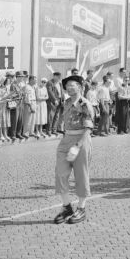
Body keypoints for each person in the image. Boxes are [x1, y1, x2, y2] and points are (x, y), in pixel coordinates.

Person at [53, 75, 95, 225]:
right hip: (66, 140)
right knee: (60, 174)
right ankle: (66, 207)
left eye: (73, 85)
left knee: (81, 175)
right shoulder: (66, 102)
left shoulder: (85, 104)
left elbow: (88, 128)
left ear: (80, 87)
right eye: (68, 85)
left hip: (81, 140)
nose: (70, 88)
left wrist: (77, 146)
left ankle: (81, 208)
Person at [46, 72, 63, 137]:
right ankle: (49, 130)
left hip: (59, 101)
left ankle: (54, 130)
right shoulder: (50, 83)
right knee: (51, 116)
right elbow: (50, 92)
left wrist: (63, 100)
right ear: (54, 76)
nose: (59, 78)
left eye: (60, 77)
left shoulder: (60, 83)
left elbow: (61, 92)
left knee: (56, 116)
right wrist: (55, 100)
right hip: (52, 102)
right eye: (58, 77)